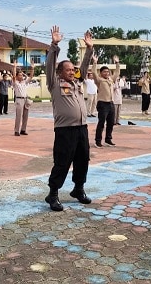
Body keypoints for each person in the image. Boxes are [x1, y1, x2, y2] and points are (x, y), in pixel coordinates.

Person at [44, 26, 93, 212]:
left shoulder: (78, 83)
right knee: (63, 161)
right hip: (65, 129)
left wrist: (89, 49)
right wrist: (54, 45)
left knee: (83, 159)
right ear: (60, 72)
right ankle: (53, 194)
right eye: (68, 70)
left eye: (73, 70)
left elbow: (84, 67)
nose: (72, 72)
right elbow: (50, 64)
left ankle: (78, 189)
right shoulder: (54, 83)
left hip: (82, 128)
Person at [91, 53, 120, 148]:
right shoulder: (99, 80)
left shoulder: (111, 80)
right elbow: (94, 73)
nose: (106, 73)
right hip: (102, 103)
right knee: (101, 123)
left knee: (111, 123)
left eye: (107, 72)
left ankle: (108, 139)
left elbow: (117, 73)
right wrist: (95, 62)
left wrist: (117, 63)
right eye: (104, 72)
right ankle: (98, 141)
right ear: (101, 73)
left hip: (111, 103)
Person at [12, 62, 35, 136]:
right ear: (17, 76)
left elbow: (31, 77)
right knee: (18, 116)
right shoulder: (15, 83)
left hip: (25, 99)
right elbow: (13, 77)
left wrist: (32, 68)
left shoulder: (24, 82)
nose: (21, 76)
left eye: (22, 75)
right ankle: (16, 130)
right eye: (19, 75)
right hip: (19, 100)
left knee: (26, 116)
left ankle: (23, 129)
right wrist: (14, 67)